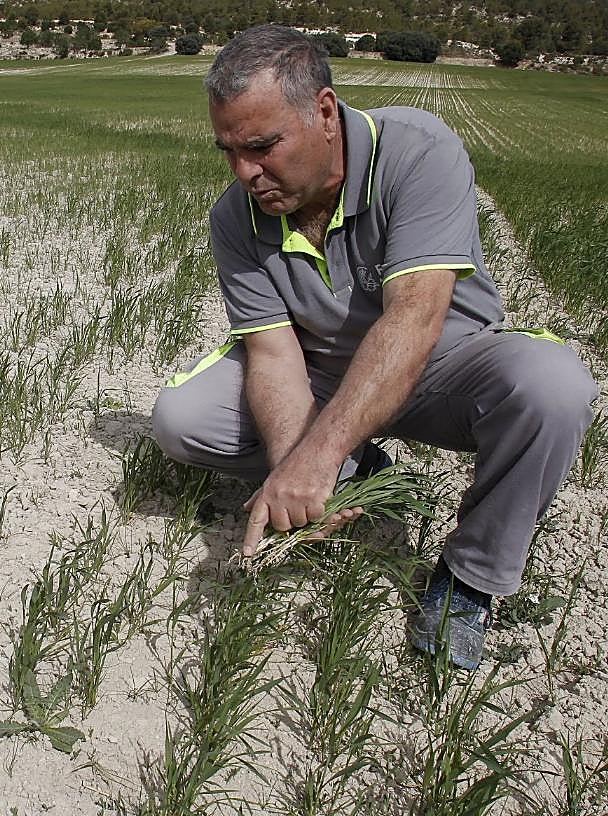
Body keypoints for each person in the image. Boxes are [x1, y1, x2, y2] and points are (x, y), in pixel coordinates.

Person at [151, 25, 598, 669]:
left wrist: (318, 454)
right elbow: (275, 357)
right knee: (182, 418)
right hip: (322, 376)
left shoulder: (416, 153)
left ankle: (468, 580)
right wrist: (294, 463)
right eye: (228, 150)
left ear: (325, 113)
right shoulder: (236, 218)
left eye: (262, 146)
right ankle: (363, 477)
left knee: (554, 389)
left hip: (441, 365)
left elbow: (414, 318)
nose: (244, 172)